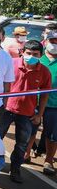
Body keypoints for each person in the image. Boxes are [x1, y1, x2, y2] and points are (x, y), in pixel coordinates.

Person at [0, 40, 51, 183]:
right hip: (6, 109)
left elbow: (45, 94)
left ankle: (15, 169)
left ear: (41, 55)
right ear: (23, 52)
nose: (31, 56)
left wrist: (39, 115)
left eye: (35, 54)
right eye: (28, 53)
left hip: (27, 112)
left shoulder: (44, 72)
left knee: (22, 143)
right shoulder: (12, 63)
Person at [39, 30, 57, 175]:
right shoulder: (36, 58)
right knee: (29, 131)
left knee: (52, 134)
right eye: (52, 41)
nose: (55, 44)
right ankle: (25, 155)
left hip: (54, 105)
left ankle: (49, 160)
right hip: (34, 103)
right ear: (45, 42)